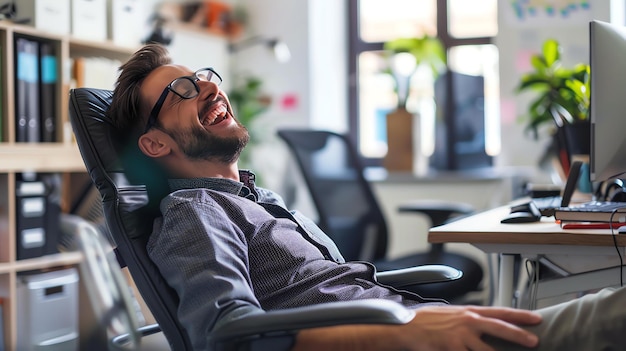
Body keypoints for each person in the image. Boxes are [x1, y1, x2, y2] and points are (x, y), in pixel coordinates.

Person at [108, 43, 626, 351]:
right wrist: (407, 331)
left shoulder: (249, 196)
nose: (206, 87)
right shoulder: (194, 212)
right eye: (180, 91)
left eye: (202, 77)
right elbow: (228, 334)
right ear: (155, 143)